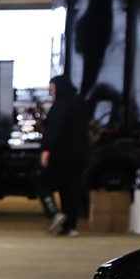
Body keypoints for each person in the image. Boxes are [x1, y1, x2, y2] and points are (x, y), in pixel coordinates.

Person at [40, 73, 91, 236]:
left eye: (52, 88)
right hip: (80, 155)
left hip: (62, 154)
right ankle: (70, 227)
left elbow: (55, 129)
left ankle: (53, 213)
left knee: (41, 181)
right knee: (71, 189)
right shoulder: (80, 103)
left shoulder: (61, 105)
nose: (51, 92)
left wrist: (46, 149)